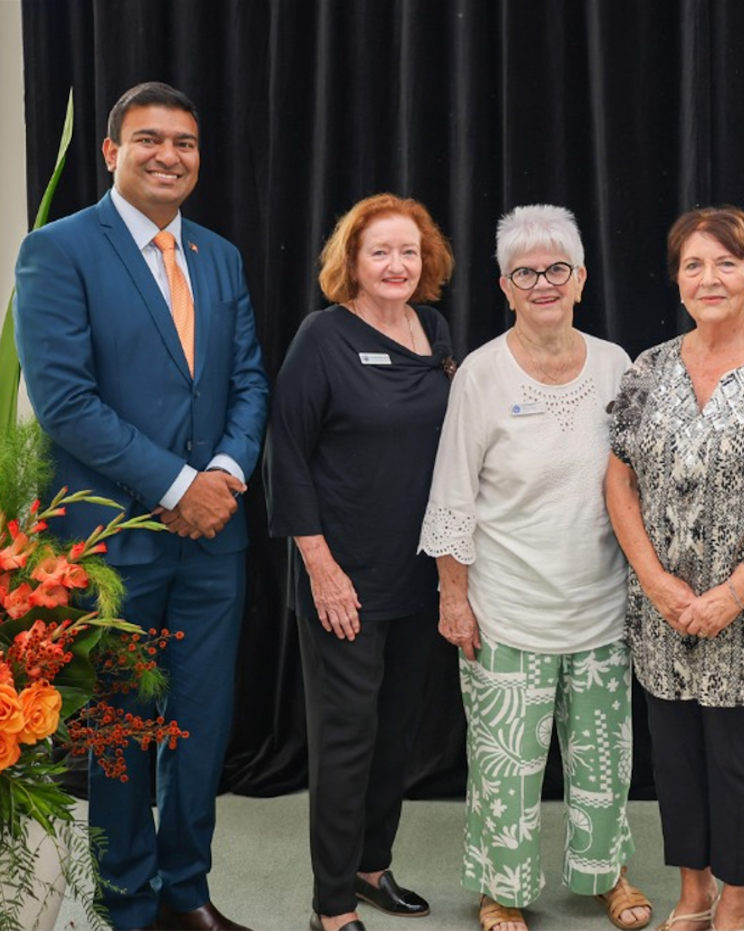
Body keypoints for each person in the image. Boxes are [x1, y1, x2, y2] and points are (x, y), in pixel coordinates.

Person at [13, 81, 268, 931]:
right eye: (150, 139)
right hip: (112, 540)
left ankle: (187, 893)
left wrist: (225, 475)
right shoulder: (57, 249)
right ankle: (125, 900)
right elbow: (66, 402)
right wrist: (174, 487)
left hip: (213, 537)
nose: (170, 155)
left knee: (201, 720)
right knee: (118, 729)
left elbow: (247, 382)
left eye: (186, 142)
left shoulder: (220, 257)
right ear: (110, 152)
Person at [419, 204, 651, 931]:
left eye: (557, 269)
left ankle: (606, 873)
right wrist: (453, 599)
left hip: (600, 607)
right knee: (505, 768)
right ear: (505, 286)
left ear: (581, 279)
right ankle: (501, 889)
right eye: (527, 271)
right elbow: (451, 498)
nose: (543, 282)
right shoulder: (481, 375)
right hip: (507, 608)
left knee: (605, 762)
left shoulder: (619, 364)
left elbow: (639, 481)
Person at [606, 206, 744, 931]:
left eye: (726, 263)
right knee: (675, 758)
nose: (710, 278)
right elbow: (618, 482)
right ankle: (693, 890)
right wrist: (656, 580)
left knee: (736, 761)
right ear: (677, 280)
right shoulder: (646, 369)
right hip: (664, 610)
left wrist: (735, 591)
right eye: (694, 265)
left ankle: (735, 901)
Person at [266, 194, 457, 931]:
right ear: (351, 260)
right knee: (346, 739)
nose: (396, 265)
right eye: (380, 251)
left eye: (408, 251)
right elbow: (286, 451)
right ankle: (332, 905)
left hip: (416, 570)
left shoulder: (432, 328)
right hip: (341, 574)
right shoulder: (321, 337)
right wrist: (321, 566)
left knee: (397, 731)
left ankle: (374, 867)